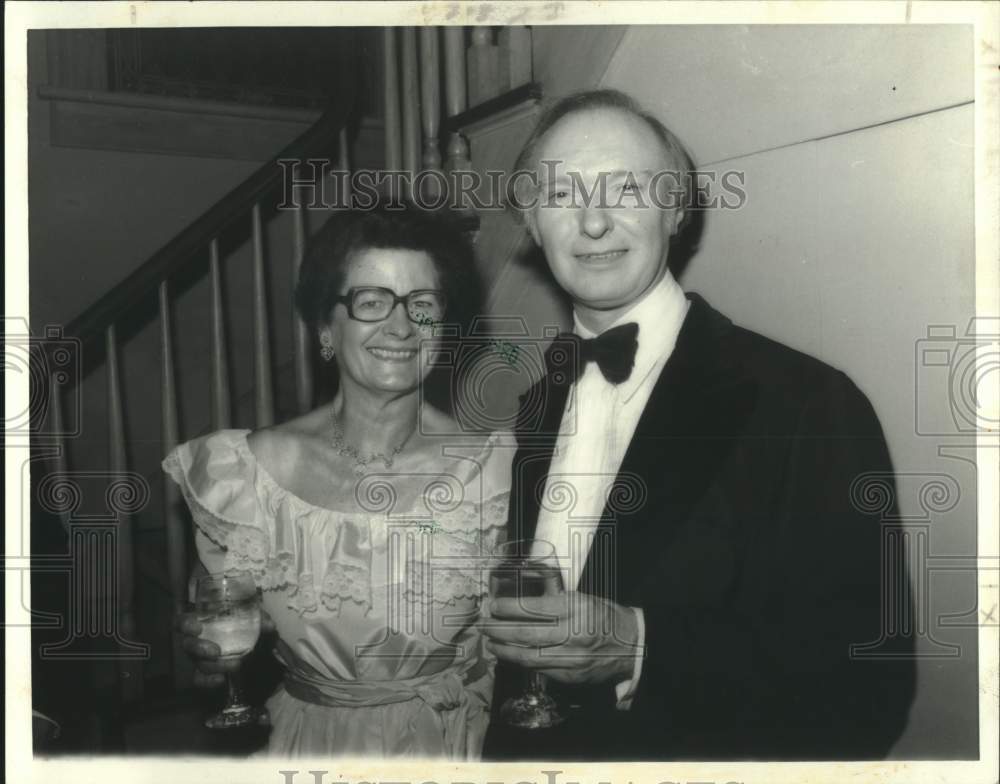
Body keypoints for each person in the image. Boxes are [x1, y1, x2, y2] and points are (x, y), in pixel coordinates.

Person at [481, 89, 916, 760]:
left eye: (625, 189)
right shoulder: (537, 407)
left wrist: (639, 649)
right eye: (561, 194)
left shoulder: (807, 405)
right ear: (533, 226)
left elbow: (868, 690)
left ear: (676, 209)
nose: (592, 224)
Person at [165, 204, 510, 758]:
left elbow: (517, 647)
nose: (400, 326)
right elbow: (221, 648)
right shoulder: (248, 472)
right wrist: (208, 660)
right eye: (371, 302)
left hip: (449, 748)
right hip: (304, 749)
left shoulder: (495, 471)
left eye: (422, 304)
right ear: (326, 326)